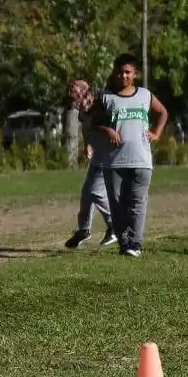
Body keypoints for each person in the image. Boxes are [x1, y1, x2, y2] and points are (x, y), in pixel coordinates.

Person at [91, 54, 169, 257]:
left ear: (135, 74)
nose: (123, 75)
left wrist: (156, 133)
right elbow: (94, 123)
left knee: (137, 202)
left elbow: (163, 113)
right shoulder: (106, 97)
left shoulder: (145, 95)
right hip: (114, 162)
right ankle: (124, 241)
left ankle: (134, 244)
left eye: (128, 72)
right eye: (120, 71)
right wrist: (107, 130)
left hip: (141, 160)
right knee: (117, 205)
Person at [63, 79, 116, 249]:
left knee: (94, 191)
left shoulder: (102, 106)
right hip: (97, 155)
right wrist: (87, 145)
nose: (76, 103)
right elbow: (86, 128)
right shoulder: (82, 112)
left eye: (77, 98)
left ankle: (115, 224)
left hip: (109, 155)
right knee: (87, 194)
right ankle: (84, 230)